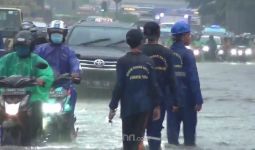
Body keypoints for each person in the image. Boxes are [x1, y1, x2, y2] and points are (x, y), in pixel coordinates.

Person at [108, 29, 162, 150]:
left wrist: (113, 106)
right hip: (144, 107)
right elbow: (154, 85)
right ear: (142, 42)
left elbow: (119, 85)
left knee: (128, 141)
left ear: (128, 42)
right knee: (138, 139)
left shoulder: (122, 62)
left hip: (128, 108)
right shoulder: (149, 61)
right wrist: (157, 105)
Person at [0, 30, 54, 145]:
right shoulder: (7, 59)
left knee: (37, 106)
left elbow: (47, 73)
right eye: (18, 46)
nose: (21, 49)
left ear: (30, 47)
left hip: (30, 94)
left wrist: (41, 80)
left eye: (24, 47)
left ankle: (35, 135)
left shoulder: (36, 60)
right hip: (7, 93)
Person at [141, 22, 178, 150]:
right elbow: (172, 78)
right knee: (155, 130)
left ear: (144, 34)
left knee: (137, 131)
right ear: (159, 34)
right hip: (161, 98)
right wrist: (175, 101)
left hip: (140, 98)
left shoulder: (139, 52)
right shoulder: (167, 53)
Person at [167, 21, 203, 146]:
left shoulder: (167, 53)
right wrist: (198, 100)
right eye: (189, 34)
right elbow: (193, 79)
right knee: (189, 140)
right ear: (183, 36)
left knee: (172, 140)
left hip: (171, 101)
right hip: (188, 101)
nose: (190, 37)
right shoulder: (188, 54)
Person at [35, 20, 81, 116]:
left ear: (64, 35)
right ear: (49, 34)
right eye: (54, 33)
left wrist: (75, 73)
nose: (56, 36)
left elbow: (74, 63)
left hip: (63, 84)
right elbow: (32, 63)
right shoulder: (40, 49)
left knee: (73, 92)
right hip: (42, 84)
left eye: (59, 33)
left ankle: (69, 119)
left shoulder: (69, 51)